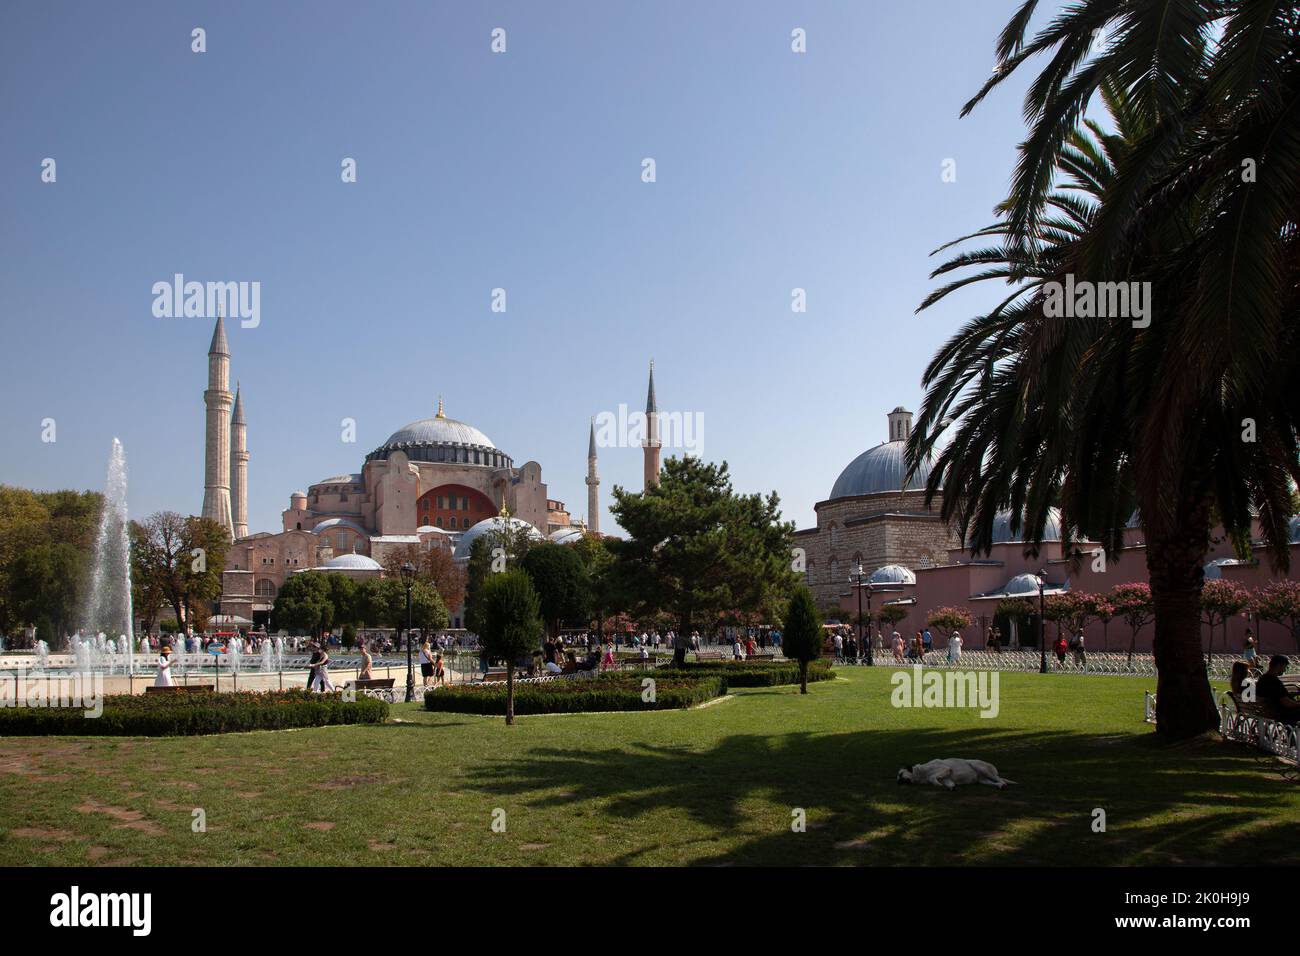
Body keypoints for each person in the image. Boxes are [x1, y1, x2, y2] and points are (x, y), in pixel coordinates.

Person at [1256, 655, 1300, 724]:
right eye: (1285, 667)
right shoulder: (1274, 682)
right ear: (1279, 666)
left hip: (1271, 711)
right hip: (1284, 713)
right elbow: (1287, 703)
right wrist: (1298, 704)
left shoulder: (1262, 679)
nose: (1285, 670)